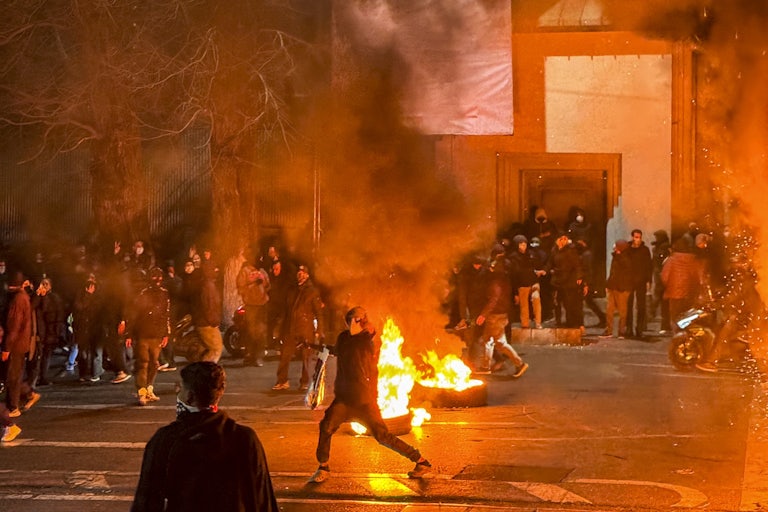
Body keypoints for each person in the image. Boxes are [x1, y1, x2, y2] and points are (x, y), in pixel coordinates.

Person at [131, 361, 279, 512]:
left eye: (180, 388)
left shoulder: (167, 440)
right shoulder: (244, 438)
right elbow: (262, 497)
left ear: (189, 396)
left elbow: (147, 499)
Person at [308, 306, 432, 484]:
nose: (361, 320)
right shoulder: (344, 338)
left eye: (360, 318)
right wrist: (310, 345)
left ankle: (421, 461)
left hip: (363, 400)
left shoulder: (365, 342)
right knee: (326, 426)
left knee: (383, 436)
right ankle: (323, 467)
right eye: (358, 317)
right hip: (344, 399)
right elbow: (336, 350)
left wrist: (373, 394)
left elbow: (367, 358)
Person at [273, 264, 324, 391]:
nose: (300, 275)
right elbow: (286, 311)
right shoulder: (292, 290)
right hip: (291, 328)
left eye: (303, 273)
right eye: (299, 273)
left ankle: (305, 382)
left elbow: (318, 312)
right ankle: (282, 381)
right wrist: (279, 328)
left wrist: (319, 330)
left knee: (306, 358)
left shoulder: (312, 291)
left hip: (305, 329)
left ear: (307, 275)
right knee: (285, 355)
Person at [474, 260, 529, 377]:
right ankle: (486, 366)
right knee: (490, 340)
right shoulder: (505, 280)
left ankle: (519, 364)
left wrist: (483, 314)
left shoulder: (496, 283)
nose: (490, 269)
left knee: (498, 343)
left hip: (495, 316)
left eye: (493, 267)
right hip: (502, 314)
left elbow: (494, 299)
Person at [126, 267, 170, 406]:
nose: (157, 279)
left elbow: (166, 314)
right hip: (143, 334)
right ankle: (142, 392)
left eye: (159, 277)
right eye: (154, 277)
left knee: (154, 363)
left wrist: (166, 334)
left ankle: (149, 389)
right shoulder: (142, 294)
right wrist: (129, 334)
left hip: (156, 335)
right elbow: (134, 315)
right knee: (143, 363)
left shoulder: (164, 294)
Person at [2, 272, 40, 417]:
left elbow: (14, 326)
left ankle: (13, 407)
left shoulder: (17, 299)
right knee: (13, 374)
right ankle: (28, 394)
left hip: (15, 344)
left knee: (12, 376)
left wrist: (7, 348)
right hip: (20, 343)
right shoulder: (22, 297)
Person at [661, 238, 705, 331]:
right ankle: (686, 332)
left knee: (675, 315)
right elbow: (698, 276)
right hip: (689, 293)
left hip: (674, 292)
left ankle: (677, 333)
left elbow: (665, 276)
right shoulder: (693, 259)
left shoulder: (671, 259)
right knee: (687, 315)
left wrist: (668, 286)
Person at [236, 252, 270, 366]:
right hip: (251, 305)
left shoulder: (262, 271)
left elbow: (268, 286)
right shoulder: (245, 271)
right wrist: (253, 284)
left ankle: (258, 356)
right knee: (250, 331)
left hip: (262, 305)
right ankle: (249, 355)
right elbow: (240, 288)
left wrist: (263, 282)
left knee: (261, 331)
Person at [547, 232, 584, 329]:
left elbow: (577, 265)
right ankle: (558, 321)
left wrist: (579, 277)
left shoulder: (571, 250)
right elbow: (550, 262)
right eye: (561, 239)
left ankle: (570, 322)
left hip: (568, 281)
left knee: (568, 303)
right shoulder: (554, 250)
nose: (563, 241)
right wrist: (546, 270)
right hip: (557, 280)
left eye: (565, 239)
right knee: (557, 302)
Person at [509, 235, 546, 329]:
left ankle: (538, 322)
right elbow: (514, 274)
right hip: (522, 283)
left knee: (536, 300)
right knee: (524, 305)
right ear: (517, 245)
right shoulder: (514, 257)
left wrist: (538, 271)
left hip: (533, 281)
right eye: (521, 244)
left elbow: (537, 265)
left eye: (525, 243)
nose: (523, 246)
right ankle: (525, 324)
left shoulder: (531, 254)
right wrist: (515, 292)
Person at [600, 240, 633, 339]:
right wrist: (608, 284)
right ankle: (609, 330)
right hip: (613, 286)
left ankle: (621, 331)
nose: (614, 247)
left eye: (616, 246)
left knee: (622, 311)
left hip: (622, 288)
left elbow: (626, 272)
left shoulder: (626, 258)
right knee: (609, 310)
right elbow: (613, 273)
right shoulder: (616, 257)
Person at [626, 229, 652, 339]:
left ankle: (639, 329)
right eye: (636, 237)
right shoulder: (627, 249)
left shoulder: (645, 250)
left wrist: (648, 280)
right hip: (629, 280)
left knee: (641, 306)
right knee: (628, 305)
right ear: (632, 237)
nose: (638, 239)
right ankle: (629, 328)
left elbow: (649, 266)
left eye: (639, 237)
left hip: (641, 280)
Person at [649, 229, 672, 334]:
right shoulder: (658, 247)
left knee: (663, 302)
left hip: (663, 278)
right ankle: (664, 324)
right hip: (659, 277)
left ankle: (663, 323)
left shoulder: (665, 248)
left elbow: (661, 262)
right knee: (662, 302)